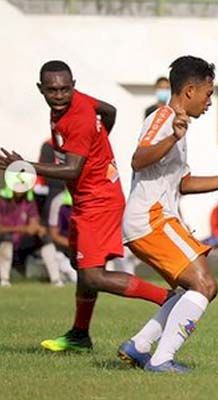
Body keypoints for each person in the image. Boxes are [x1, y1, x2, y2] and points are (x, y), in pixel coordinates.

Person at [0, 60, 172, 352]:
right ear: (41, 88)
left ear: (73, 86)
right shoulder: (75, 103)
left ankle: (169, 300)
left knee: (92, 274)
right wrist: (101, 141)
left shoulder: (76, 118)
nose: (59, 95)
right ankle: (80, 335)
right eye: (52, 90)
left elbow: (72, 170)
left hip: (99, 200)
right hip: (86, 197)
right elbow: (110, 111)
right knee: (81, 267)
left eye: (64, 89)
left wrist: (26, 166)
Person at [116, 56, 218, 373]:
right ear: (190, 90)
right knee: (205, 285)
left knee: (189, 290)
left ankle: (139, 346)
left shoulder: (177, 125)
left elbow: (183, 183)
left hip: (158, 220)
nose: (210, 101)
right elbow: (138, 160)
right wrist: (172, 138)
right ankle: (161, 360)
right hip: (152, 220)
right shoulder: (164, 118)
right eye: (209, 94)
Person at [0, 187, 62, 287]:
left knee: (45, 238)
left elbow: (33, 223)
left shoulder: (29, 201)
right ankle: (4, 279)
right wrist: (23, 229)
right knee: (6, 238)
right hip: (4, 241)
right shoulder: (2, 200)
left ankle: (56, 280)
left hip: (22, 243)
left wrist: (38, 228)